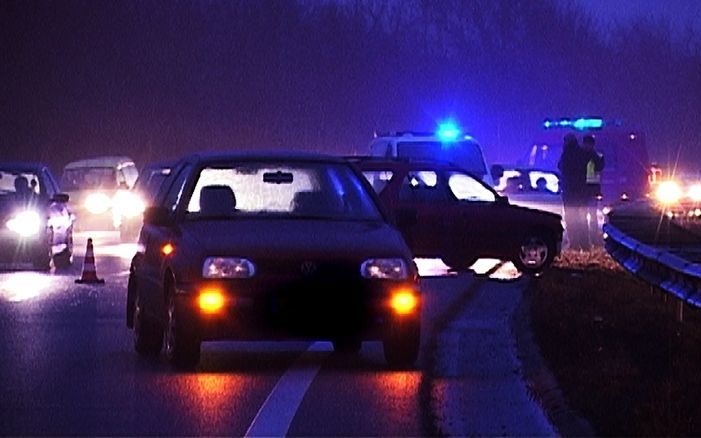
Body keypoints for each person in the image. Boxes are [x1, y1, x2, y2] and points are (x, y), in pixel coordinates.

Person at [558, 134, 589, 250]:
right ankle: (585, 244)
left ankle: (574, 244)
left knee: (571, 218)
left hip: (570, 192)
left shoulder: (567, 154)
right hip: (581, 192)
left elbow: (561, 166)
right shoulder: (582, 153)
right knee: (582, 219)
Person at [582, 135, 605, 246]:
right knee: (583, 214)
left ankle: (594, 238)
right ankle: (585, 237)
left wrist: (593, 156)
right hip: (584, 188)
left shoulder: (597, 156)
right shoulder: (580, 155)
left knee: (592, 214)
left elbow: (600, 168)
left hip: (592, 188)